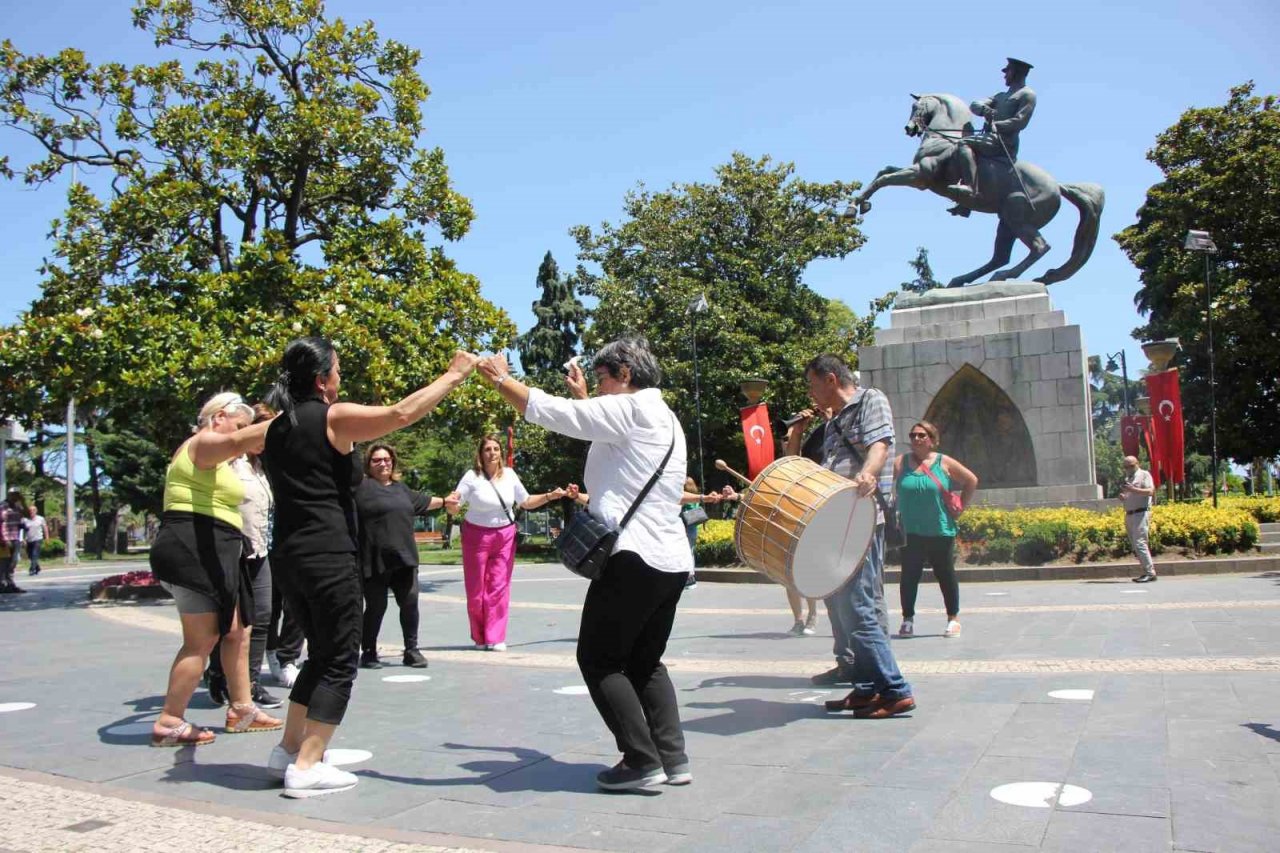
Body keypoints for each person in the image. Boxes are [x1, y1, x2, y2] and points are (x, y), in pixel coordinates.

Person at [261, 337, 477, 798]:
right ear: (322, 380)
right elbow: (401, 414)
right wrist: (454, 375)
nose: (340, 377)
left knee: (318, 656)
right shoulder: (331, 417)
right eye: (336, 369)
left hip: (290, 556)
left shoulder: (277, 427)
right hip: (328, 554)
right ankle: (308, 764)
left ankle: (289, 749)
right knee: (340, 660)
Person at [478, 337, 694, 791]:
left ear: (626, 375)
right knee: (645, 662)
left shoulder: (632, 409)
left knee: (598, 659)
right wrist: (584, 397)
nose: (596, 387)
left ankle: (640, 760)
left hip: (633, 557)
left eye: (601, 378)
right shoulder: (663, 416)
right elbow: (602, 432)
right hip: (670, 559)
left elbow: (558, 415)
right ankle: (673, 759)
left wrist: (502, 380)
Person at [149, 392, 282, 747]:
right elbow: (240, 441)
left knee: (238, 631)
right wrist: (299, 419)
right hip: (191, 545)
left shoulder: (224, 460)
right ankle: (170, 720)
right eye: (239, 427)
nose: (241, 437)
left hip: (220, 547)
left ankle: (242, 709)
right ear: (219, 417)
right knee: (202, 640)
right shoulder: (204, 442)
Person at [798, 354, 914, 719]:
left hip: (863, 518)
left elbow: (879, 444)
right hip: (837, 522)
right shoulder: (833, 424)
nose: (811, 394)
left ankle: (894, 689)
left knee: (860, 604)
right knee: (847, 607)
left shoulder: (870, 399)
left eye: (813, 386)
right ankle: (866, 688)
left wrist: (867, 473)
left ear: (831, 379)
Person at [445, 435, 569, 652]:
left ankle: (495, 636)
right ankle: (480, 636)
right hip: (476, 536)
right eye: (487, 449)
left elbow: (526, 502)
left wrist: (550, 496)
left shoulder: (510, 475)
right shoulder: (471, 476)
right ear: (480, 454)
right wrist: (451, 505)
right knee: (476, 592)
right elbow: (455, 505)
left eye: (496, 449)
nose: (492, 453)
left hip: (505, 535)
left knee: (498, 587)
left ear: (500, 452)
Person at [205, 403, 283, 710]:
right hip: (231, 552)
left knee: (261, 617)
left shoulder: (262, 468)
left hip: (260, 550)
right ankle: (218, 672)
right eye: (264, 433)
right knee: (227, 622)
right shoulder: (228, 463)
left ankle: (251, 683)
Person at [356, 442, 444, 669]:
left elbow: (425, 501)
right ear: (369, 464)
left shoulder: (401, 489)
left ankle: (411, 650)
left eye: (387, 459)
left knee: (410, 603)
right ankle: (368, 651)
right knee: (376, 607)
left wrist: (446, 501)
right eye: (377, 460)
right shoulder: (360, 487)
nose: (383, 463)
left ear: (393, 462)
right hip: (374, 560)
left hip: (404, 559)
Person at [894, 420, 978, 639]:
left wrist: (961, 506)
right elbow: (882, 482)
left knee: (945, 575)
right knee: (909, 576)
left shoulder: (943, 462)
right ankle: (907, 620)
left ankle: (953, 619)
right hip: (910, 530)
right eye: (913, 435)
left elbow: (971, 480)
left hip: (940, 529)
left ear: (932, 440)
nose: (916, 439)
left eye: (922, 435)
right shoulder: (900, 463)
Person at [947, 57, 1037, 216]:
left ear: (1016, 73)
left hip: (1003, 142)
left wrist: (998, 125)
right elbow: (975, 104)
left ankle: (970, 189)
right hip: (989, 137)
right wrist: (984, 110)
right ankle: (965, 203)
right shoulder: (1000, 96)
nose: (1004, 75)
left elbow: (1020, 121)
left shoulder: (1027, 95)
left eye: (1007, 71)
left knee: (964, 144)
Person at [780, 412, 824, 636]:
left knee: (808, 570)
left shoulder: (811, 453)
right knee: (787, 573)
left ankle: (813, 614)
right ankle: (798, 619)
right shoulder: (781, 466)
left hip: (810, 515)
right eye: (785, 439)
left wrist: (827, 418)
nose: (787, 442)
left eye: (791, 438)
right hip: (789, 519)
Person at [679, 477, 722, 590]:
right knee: (690, 551)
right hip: (693, 526)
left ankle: (688, 578)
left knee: (684, 551)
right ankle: (691, 576)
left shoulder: (686, 497)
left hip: (684, 526)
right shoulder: (696, 495)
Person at [1121, 455, 1157, 582]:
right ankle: (1145, 571)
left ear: (1137, 463)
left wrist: (1133, 489)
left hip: (1140, 514)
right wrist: (1124, 496)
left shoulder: (1144, 474)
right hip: (1130, 514)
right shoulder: (1128, 478)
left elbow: (1150, 491)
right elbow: (1130, 494)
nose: (1128, 469)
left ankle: (1150, 572)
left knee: (1140, 543)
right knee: (1135, 545)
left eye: (1130, 466)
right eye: (1126, 467)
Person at [1, 489, 27, 593]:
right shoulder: (3, 506)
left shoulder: (17, 507)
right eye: (14, 495)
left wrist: (23, 501)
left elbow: (28, 514)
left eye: (17, 495)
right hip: (5, 539)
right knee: (4, 563)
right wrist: (2, 539)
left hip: (15, 537)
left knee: (13, 562)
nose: (15, 497)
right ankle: (2, 584)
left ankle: (10, 584)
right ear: (9, 495)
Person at [21, 505, 46, 576]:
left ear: (36, 511)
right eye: (30, 510)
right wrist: (23, 539)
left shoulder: (40, 519)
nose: (31, 512)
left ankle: (32, 569)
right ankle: (37, 567)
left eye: (33, 510)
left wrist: (47, 537)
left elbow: (45, 528)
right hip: (28, 539)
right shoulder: (25, 519)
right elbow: (22, 530)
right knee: (30, 555)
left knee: (34, 554)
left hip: (38, 538)